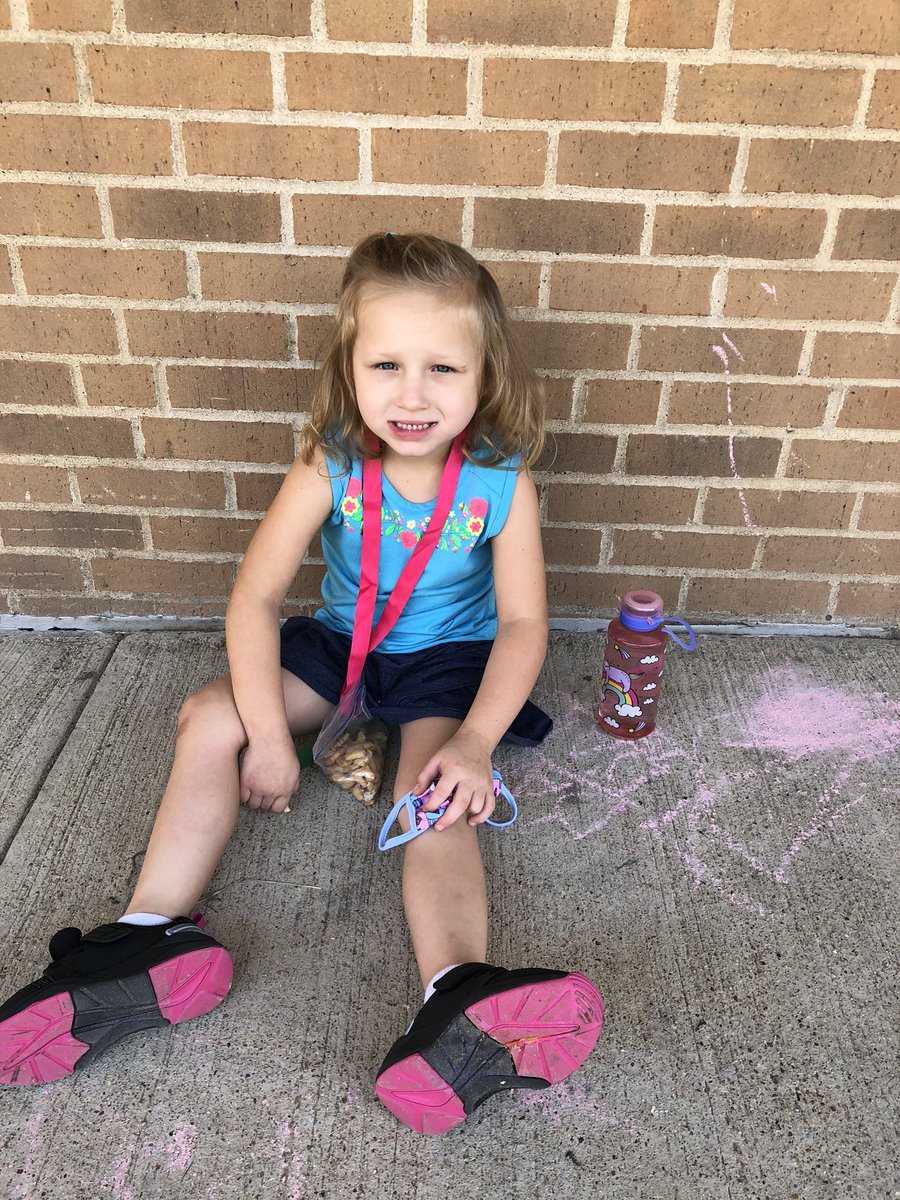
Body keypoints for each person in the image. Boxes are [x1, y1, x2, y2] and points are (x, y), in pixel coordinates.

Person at [0, 233, 603, 1135]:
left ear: (485, 377)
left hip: (448, 663)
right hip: (342, 646)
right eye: (387, 363)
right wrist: (270, 739)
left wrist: (477, 742)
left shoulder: (497, 481)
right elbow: (253, 596)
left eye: (443, 368)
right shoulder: (333, 464)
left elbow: (522, 624)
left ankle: (458, 997)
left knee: (432, 795)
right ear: (349, 370)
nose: (412, 393)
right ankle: (143, 936)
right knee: (211, 717)